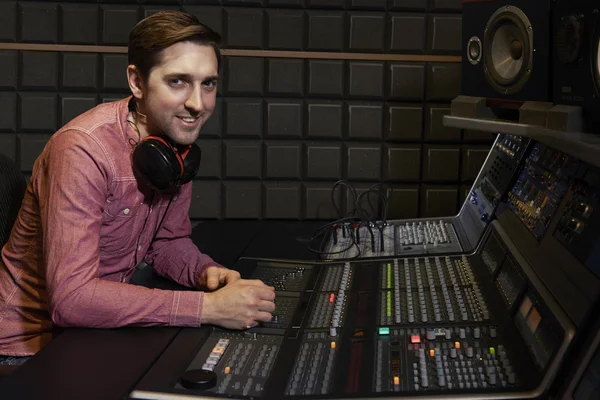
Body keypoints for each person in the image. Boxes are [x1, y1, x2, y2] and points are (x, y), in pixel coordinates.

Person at [0, 11, 276, 364]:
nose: (197, 103)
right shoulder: (82, 150)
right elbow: (72, 299)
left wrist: (204, 272)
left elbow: (167, 242)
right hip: (28, 348)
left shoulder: (174, 148)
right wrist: (207, 307)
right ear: (137, 81)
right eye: (178, 81)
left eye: (208, 83)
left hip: (94, 330)